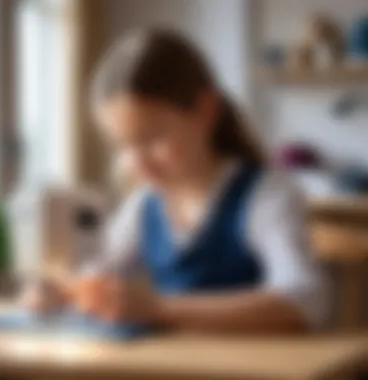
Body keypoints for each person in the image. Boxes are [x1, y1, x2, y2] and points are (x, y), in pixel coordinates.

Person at [24, 29, 330, 334]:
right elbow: (100, 274)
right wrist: (63, 293)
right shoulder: (144, 205)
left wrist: (159, 308)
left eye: (151, 138)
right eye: (123, 146)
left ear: (206, 111)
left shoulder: (267, 195)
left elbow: (305, 302)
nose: (137, 163)